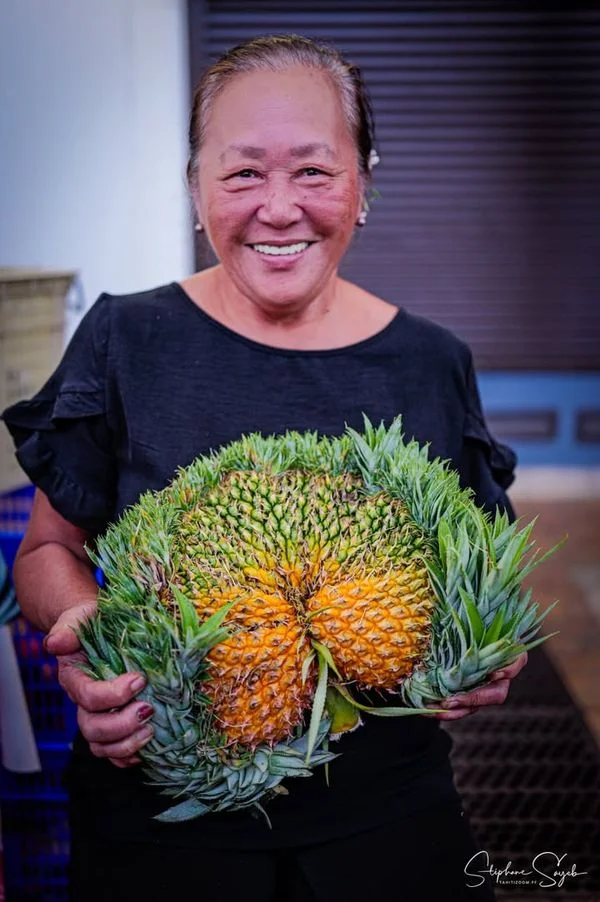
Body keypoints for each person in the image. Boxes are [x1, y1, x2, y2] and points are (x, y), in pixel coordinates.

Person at [2, 35, 526, 902]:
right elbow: (43, 555)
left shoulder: (432, 362)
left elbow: (481, 580)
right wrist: (90, 630)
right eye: (243, 173)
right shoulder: (127, 339)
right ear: (196, 189)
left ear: (363, 184)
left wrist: (485, 651)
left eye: (314, 171)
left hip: (388, 811)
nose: (279, 209)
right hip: (161, 811)